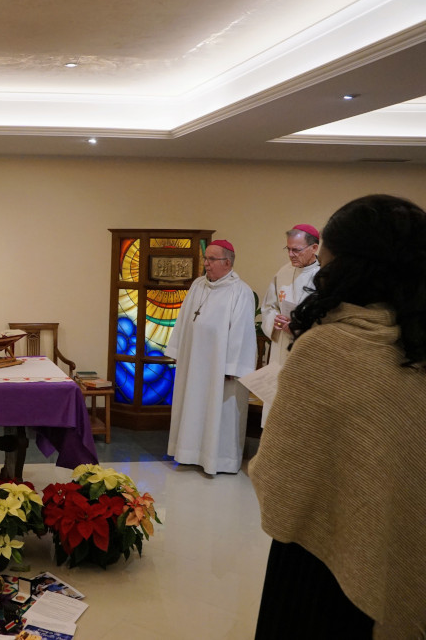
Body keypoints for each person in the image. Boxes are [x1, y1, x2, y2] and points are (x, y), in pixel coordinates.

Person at [250, 195, 426, 638]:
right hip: (404, 549)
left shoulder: (327, 349)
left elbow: (280, 481)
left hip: (317, 563)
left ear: (343, 265)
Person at [166, 240, 257, 474]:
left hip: (220, 367)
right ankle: (188, 453)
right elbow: (184, 320)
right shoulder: (198, 285)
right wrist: (178, 352)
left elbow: (242, 333)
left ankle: (220, 459)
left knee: (220, 411)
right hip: (193, 360)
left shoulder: (240, 291)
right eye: (205, 258)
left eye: (211, 259)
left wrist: (231, 367)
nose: (206, 264)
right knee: (192, 405)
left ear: (227, 262)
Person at [258, 224, 320, 426]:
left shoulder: (324, 277)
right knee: (276, 410)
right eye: (288, 249)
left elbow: (329, 318)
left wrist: (299, 325)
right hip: (280, 349)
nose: (291, 255)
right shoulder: (282, 273)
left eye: (297, 250)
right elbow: (268, 307)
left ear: (314, 248)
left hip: (305, 352)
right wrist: (274, 320)